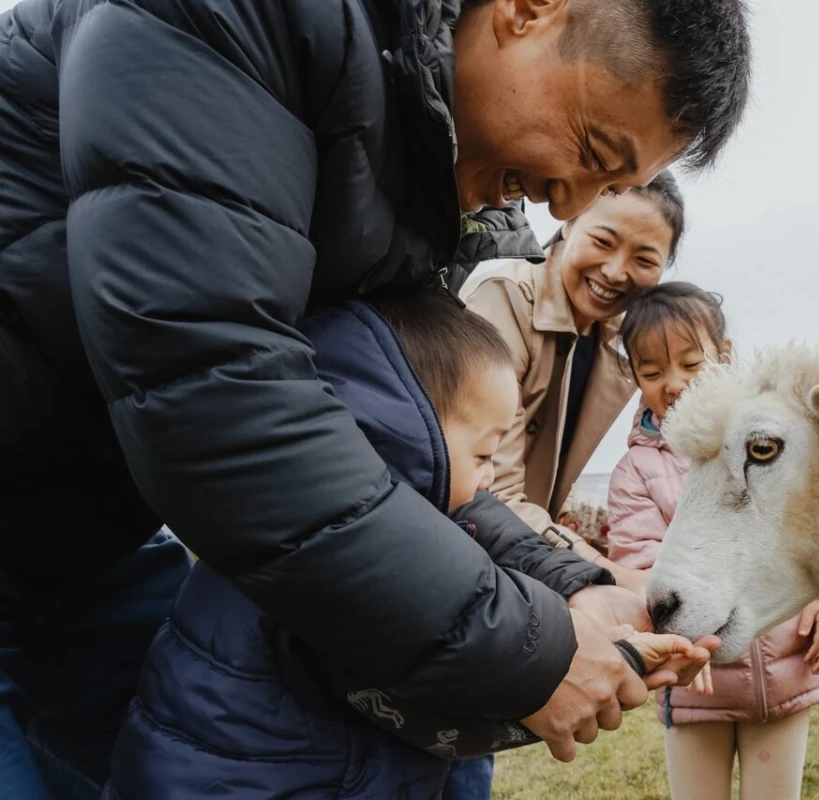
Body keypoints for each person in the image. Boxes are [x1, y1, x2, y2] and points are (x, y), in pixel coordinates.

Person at [0, 0, 752, 792]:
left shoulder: (415, 176)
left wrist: (579, 589)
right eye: (594, 150)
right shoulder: (246, 21)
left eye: (612, 184)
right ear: (529, 10)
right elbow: (220, 399)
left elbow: (403, 451)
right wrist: (529, 654)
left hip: (80, 546)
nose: (567, 207)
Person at [101, 288, 717, 798]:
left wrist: (582, 598)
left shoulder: (376, 512)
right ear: (410, 429)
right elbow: (432, 708)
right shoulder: (348, 563)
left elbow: (476, 588)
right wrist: (604, 667)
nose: (482, 483)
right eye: (481, 453)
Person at [606, 283, 819, 800]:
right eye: (651, 373)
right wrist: (682, 644)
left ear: (725, 356)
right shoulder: (637, 471)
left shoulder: (768, 445)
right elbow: (640, 562)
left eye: (691, 364)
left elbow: (812, 527)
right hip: (698, 682)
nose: (673, 384)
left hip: (790, 670)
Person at [463, 172, 685, 593]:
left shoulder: (618, 338)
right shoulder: (502, 300)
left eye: (644, 259)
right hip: (472, 552)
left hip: (519, 554)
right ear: (568, 223)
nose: (616, 271)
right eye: (602, 241)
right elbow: (491, 491)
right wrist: (611, 572)